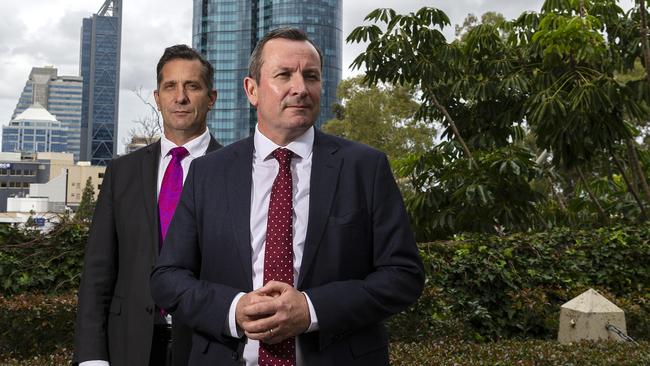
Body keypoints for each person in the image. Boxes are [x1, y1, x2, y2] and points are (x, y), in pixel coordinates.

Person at [151, 27, 424, 365]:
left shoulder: (365, 168)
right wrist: (234, 309)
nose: (300, 88)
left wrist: (311, 309)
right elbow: (168, 278)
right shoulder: (207, 173)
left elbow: (403, 275)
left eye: (311, 76)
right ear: (252, 90)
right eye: (284, 75)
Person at [73, 44, 221, 366]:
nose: (180, 97)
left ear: (211, 98)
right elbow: (98, 272)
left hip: (207, 345)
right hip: (128, 342)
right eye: (170, 86)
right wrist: (91, 357)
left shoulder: (237, 171)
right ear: (157, 97)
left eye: (192, 86)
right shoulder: (121, 172)